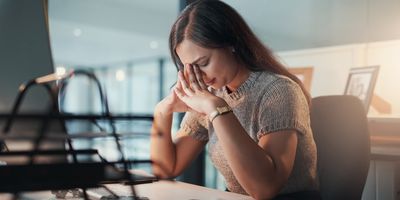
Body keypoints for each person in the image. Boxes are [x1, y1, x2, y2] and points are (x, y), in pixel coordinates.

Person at [150, 0, 320, 199]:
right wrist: (162, 111)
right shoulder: (213, 94)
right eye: (190, 68)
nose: (200, 76)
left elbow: (265, 189)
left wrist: (216, 109)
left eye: (203, 62)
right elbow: (166, 169)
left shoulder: (278, 91)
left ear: (231, 43)